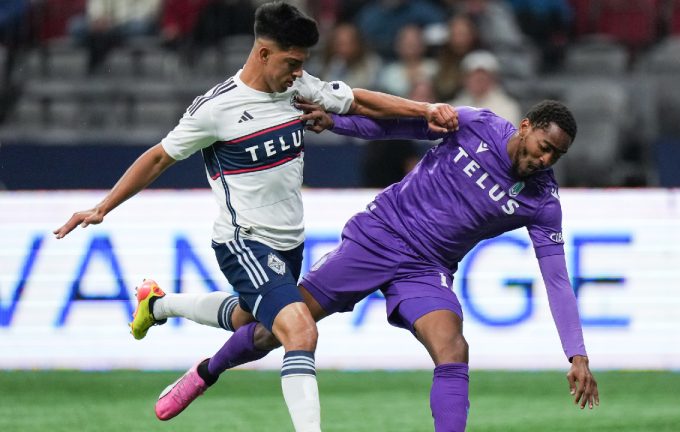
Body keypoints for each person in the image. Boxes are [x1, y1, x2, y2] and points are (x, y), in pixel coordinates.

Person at [53, 2, 457, 431]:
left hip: (289, 243)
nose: (298, 72)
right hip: (243, 241)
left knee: (251, 322)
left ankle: (158, 303)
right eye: (291, 62)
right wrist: (103, 206)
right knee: (299, 332)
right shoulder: (216, 109)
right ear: (264, 53)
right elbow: (157, 158)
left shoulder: (298, 88)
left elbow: (357, 101)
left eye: (303, 64)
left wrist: (425, 109)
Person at [134, 99, 600, 431]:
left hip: (427, 267)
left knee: (453, 349)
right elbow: (398, 125)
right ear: (524, 126)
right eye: (543, 145)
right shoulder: (476, 125)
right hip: (379, 237)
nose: (545, 159)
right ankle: (205, 373)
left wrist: (576, 355)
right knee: (269, 327)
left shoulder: (542, 202)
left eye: (555, 156)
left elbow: (556, 279)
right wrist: (337, 123)